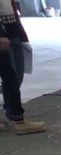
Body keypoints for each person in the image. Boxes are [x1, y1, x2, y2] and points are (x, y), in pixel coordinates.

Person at [1, 0, 43, 133]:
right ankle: (18, 120)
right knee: (11, 77)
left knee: (12, 77)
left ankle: (16, 117)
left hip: (11, 31)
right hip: (6, 33)